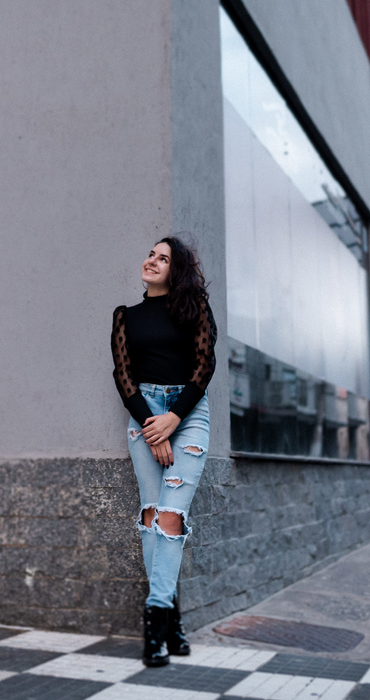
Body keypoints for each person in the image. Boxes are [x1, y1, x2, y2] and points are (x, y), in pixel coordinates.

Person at [110, 237, 217, 667]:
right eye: (151, 254)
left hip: (187, 414)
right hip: (144, 414)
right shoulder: (126, 316)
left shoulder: (194, 309)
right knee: (152, 514)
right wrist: (153, 427)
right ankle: (171, 623)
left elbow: (204, 367)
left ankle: (154, 623)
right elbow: (123, 375)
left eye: (163, 258)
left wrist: (173, 419)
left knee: (171, 518)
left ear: (177, 270)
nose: (152, 261)